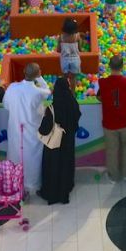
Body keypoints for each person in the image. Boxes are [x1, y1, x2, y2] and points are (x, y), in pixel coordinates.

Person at [4, 63, 51, 192]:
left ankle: (15, 181)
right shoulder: (38, 92)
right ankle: (32, 184)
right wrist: (40, 78)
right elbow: (48, 91)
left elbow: (6, 105)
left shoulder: (12, 88)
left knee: (15, 154)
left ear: (24, 71)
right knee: (33, 157)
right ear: (37, 74)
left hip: (15, 128)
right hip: (32, 129)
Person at [38, 76, 81, 205]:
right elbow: (77, 118)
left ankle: (51, 193)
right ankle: (65, 190)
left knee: (53, 167)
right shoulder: (73, 103)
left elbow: (44, 130)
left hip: (54, 145)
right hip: (68, 142)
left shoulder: (52, 108)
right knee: (65, 165)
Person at [97, 55, 126, 182]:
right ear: (122, 67)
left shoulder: (103, 82)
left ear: (109, 66)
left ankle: (113, 176)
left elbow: (99, 98)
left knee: (111, 151)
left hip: (110, 124)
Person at [58, 17, 81, 88]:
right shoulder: (77, 36)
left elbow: (58, 49)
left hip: (65, 59)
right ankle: (73, 93)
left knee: (65, 76)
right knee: (73, 78)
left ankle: (65, 91)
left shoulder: (61, 37)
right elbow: (80, 48)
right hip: (75, 59)